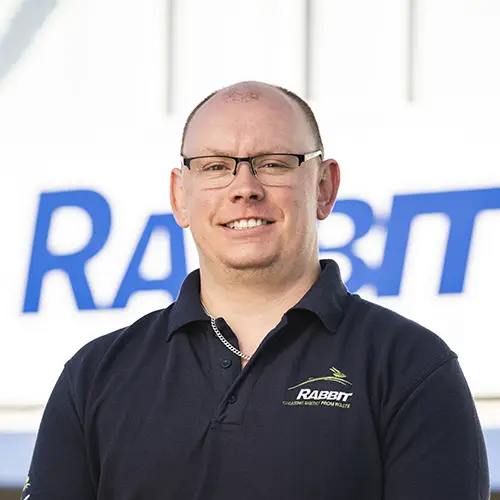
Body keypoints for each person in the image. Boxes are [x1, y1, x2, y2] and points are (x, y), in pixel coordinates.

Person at [23, 81, 489, 500]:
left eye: (273, 163)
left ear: (324, 187)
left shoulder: (411, 367)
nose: (244, 188)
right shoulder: (95, 375)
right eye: (215, 166)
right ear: (179, 195)